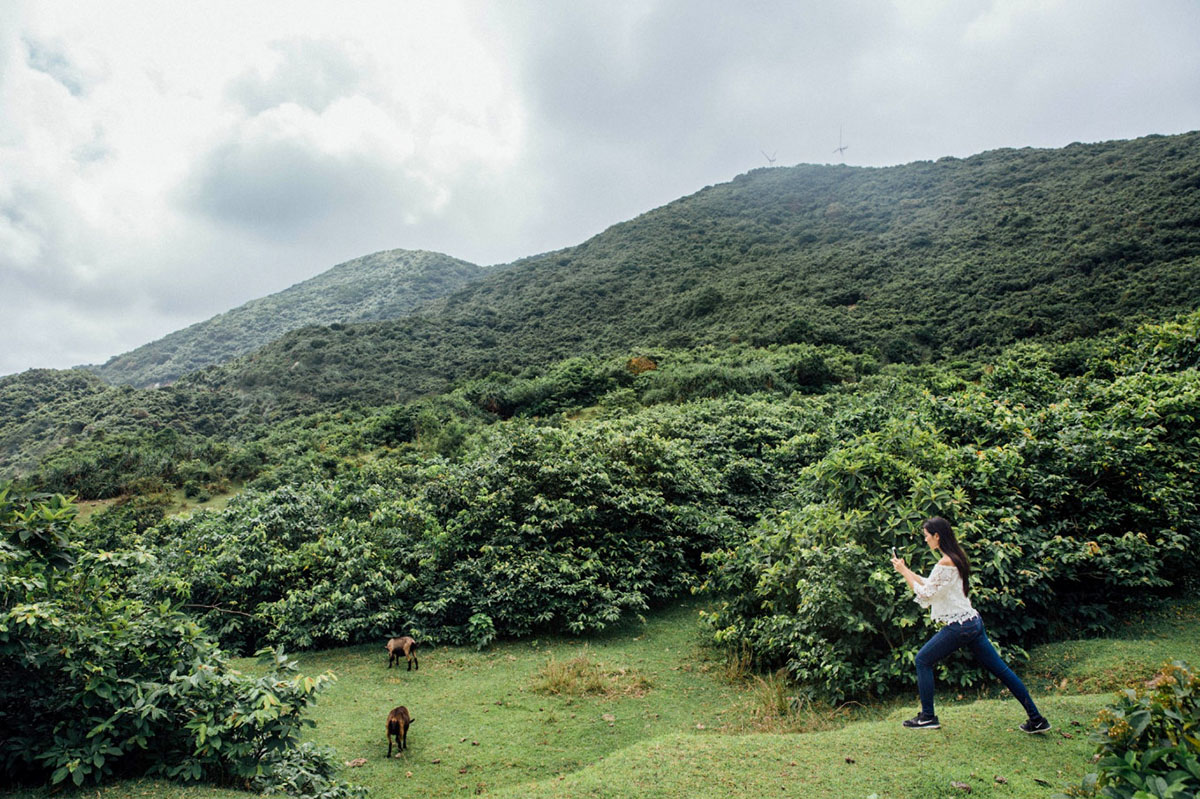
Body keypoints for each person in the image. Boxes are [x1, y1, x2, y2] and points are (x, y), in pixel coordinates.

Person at [890, 516, 1051, 733]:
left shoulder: (945, 563)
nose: (925, 540)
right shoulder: (955, 557)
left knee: (922, 660)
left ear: (937, 536)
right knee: (1002, 671)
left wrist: (903, 573)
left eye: (927, 536)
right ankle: (1037, 719)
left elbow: (926, 595)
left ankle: (928, 717)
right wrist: (906, 570)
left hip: (960, 626)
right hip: (973, 622)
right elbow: (931, 584)